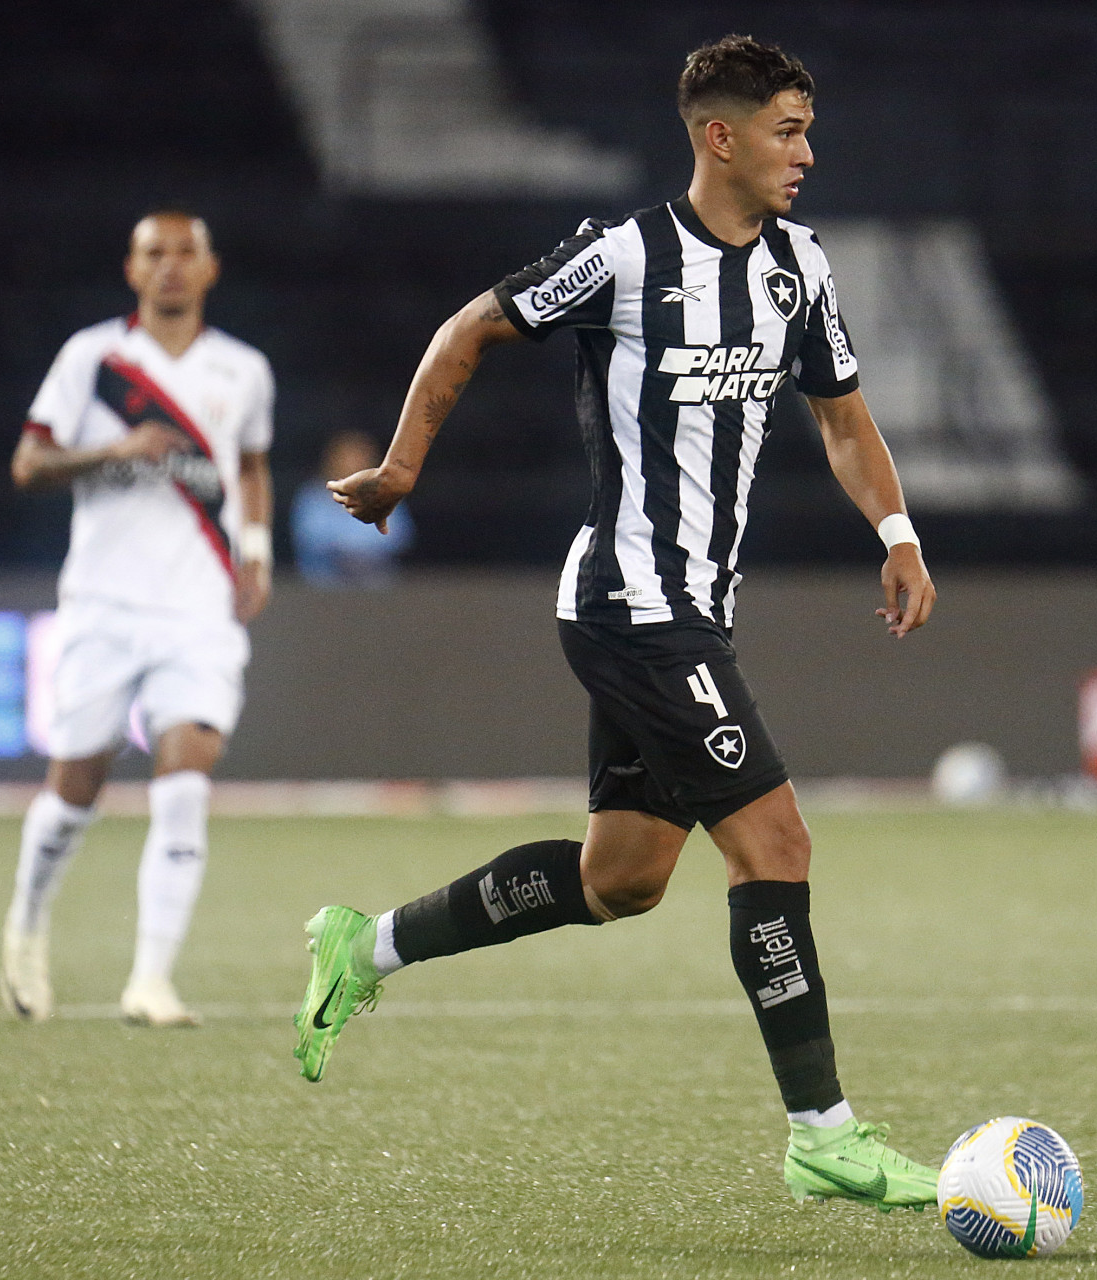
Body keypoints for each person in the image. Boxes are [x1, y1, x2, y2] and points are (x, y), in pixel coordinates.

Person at [295, 36, 941, 1211]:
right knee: (777, 843)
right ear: (721, 136)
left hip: (691, 610)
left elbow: (844, 418)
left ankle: (367, 942)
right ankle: (824, 1131)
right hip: (632, 605)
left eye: (809, 129)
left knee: (624, 878)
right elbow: (468, 330)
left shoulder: (800, 265)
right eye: (788, 130)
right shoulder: (625, 256)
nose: (807, 152)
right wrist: (398, 468)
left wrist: (897, 534)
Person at [0, 209, 276, 1028]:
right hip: (103, 604)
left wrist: (254, 548)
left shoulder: (244, 371)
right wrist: (112, 452)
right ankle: (27, 920)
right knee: (75, 787)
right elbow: (28, 464)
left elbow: (252, 462)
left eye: (185, 252)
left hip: (197, 609)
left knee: (187, 776)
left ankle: (151, 980)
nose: (170, 267)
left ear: (209, 268)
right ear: (131, 270)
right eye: (154, 254)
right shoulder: (93, 359)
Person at [291, 429, 415, 587]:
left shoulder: (387, 496)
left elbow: (400, 537)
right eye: (346, 457)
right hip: (323, 589)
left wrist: (363, 558)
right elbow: (308, 538)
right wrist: (344, 556)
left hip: (377, 589)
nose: (352, 463)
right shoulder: (312, 497)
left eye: (359, 457)